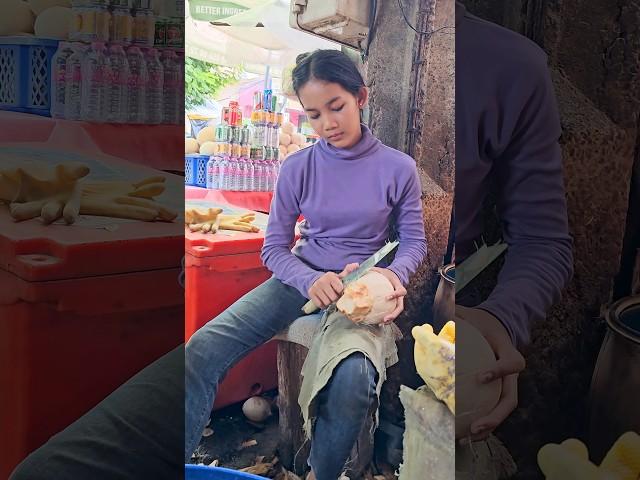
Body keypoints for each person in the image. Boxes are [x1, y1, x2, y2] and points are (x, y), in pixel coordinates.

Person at [184, 49, 427, 480]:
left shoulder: (398, 168)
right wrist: (309, 278)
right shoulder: (297, 167)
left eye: (337, 107)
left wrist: (390, 276)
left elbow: (413, 243)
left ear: (361, 97)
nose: (327, 124)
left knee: (354, 381)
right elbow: (273, 249)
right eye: (314, 114)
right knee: (200, 351)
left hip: (361, 290)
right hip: (299, 281)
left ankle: (321, 473)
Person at [455, 1, 573, 444]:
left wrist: (501, 319)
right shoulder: (328, 43)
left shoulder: (513, 67)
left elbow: (544, 240)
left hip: (446, 317)